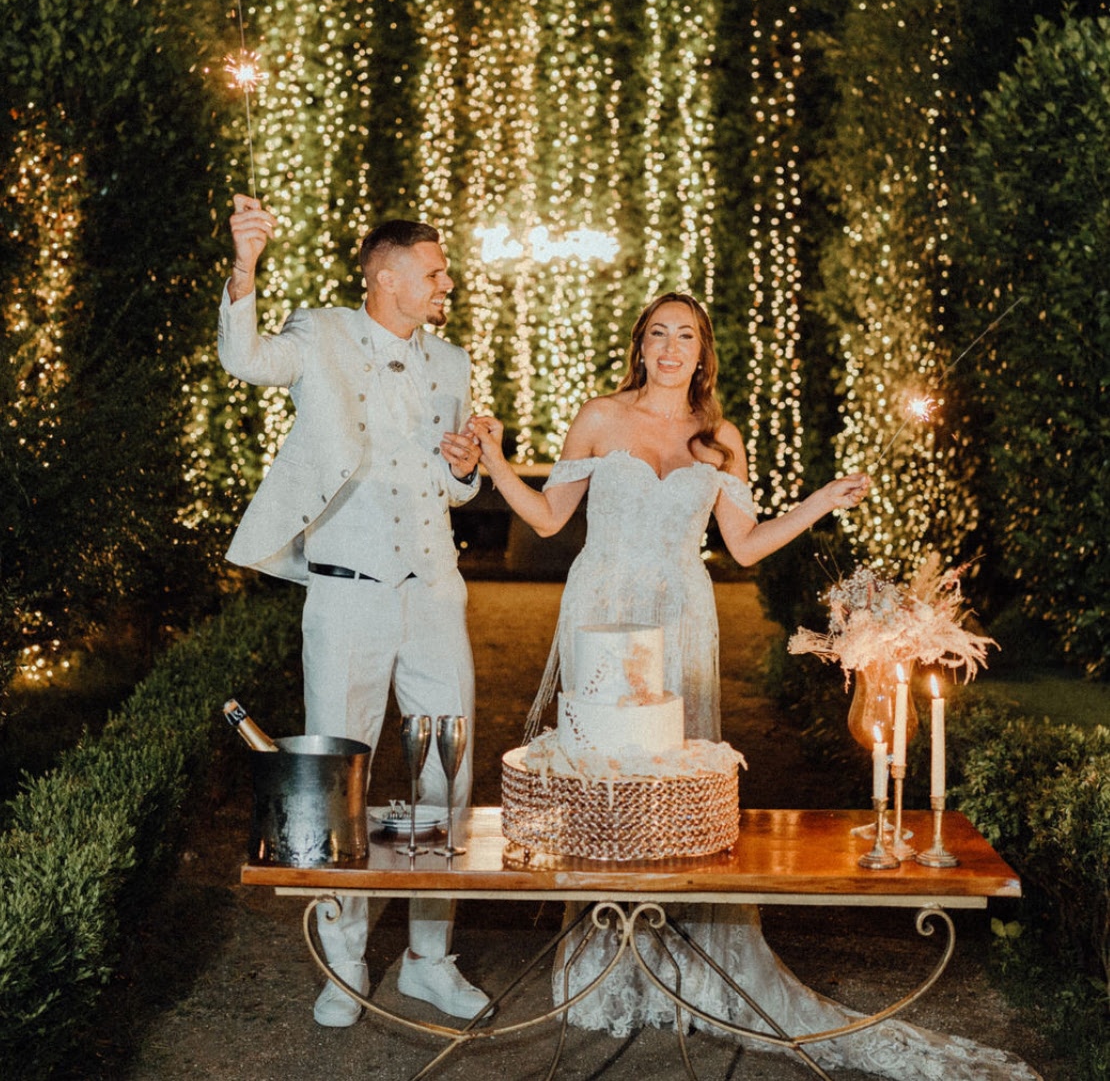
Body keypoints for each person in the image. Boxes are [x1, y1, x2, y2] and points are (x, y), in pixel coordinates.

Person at [470, 292, 1040, 1080]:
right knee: (608, 775)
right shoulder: (599, 417)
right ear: (640, 345)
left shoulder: (721, 438)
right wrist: (496, 459)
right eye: (659, 333)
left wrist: (820, 502)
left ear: (704, 353)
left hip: (682, 613)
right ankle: (608, 956)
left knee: (676, 782)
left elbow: (742, 546)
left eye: (687, 336)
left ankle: (688, 956)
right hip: (602, 612)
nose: (671, 348)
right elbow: (545, 518)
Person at [219, 193, 491, 1029]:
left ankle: (428, 959)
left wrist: (465, 466)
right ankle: (344, 964)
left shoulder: (452, 361)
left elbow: (452, 485)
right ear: (385, 277)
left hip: (434, 590)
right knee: (340, 777)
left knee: (447, 767)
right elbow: (245, 359)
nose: (446, 284)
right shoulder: (323, 333)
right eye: (433, 273)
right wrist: (246, 263)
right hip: (346, 593)